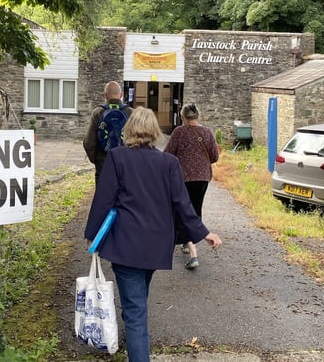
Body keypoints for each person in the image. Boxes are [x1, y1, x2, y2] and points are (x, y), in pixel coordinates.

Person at [84, 107, 222, 362]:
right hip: (156, 246)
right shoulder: (168, 162)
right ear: (154, 132)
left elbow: (103, 199)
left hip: (125, 245)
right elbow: (182, 204)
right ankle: (134, 336)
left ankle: (137, 348)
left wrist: (93, 235)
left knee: (135, 309)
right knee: (136, 301)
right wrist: (205, 233)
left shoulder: (117, 157)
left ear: (130, 129)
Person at [164, 103, 220, 269]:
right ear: (198, 116)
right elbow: (215, 157)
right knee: (195, 209)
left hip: (183, 178)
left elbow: (167, 154)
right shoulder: (208, 132)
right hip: (203, 178)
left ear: (183, 117)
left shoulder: (179, 132)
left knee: (185, 210)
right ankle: (187, 241)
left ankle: (193, 252)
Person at [83, 80, 132, 184]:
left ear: (105, 96)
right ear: (121, 95)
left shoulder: (98, 113)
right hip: (126, 163)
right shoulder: (131, 113)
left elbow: (88, 142)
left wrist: (96, 159)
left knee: (103, 197)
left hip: (104, 162)